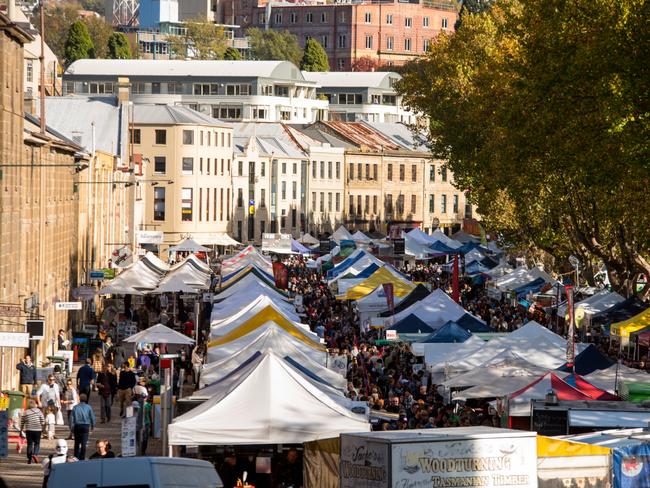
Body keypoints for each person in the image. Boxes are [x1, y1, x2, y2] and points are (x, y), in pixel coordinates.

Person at [70, 393, 95, 460]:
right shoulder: (88, 407)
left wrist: (71, 427)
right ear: (86, 399)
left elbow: (71, 418)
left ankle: (76, 457)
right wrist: (93, 425)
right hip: (85, 426)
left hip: (77, 426)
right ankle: (82, 457)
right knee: (84, 444)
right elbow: (92, 417)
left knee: (77, 443)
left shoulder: (75, 407)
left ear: (79, 399)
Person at [21, 399, 45, 464]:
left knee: (29, 444)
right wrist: (42, 426)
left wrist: (21, 430)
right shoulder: (39, 411)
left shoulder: (26, 412)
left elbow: (22, 421)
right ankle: (35, 454)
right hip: (37, 430)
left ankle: (29, 459)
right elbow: (43, 420)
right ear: (35, 404)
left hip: (29, 430)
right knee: (37, 444)